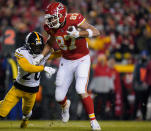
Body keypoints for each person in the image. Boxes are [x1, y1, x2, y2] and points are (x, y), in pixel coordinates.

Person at [33, 2, 101, 130]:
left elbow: (96, 32)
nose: (50, 21)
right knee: (59, 96)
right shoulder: (51, 27)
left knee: (81, 89)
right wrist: (41, 56)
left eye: (53, 17)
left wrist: (79, 34)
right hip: (66, 60)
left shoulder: (74, 19)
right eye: (49, 18)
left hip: (82, 59)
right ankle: (65, 106)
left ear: (61, 15)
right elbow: (51, 42)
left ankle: (93, 121)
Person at [0, 32, 56, 128]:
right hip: (18, 88)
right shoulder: (22, 52)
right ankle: (3, 103)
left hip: (32, 91)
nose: (38, 49)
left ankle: (25, 121)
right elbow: (27, 68)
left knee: (26, 113)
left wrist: (68, 47)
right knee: (1, 115)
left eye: (40, 47)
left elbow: (59, 54)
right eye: (35, 47)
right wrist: (43, 68)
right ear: (28, 46)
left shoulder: (44, 52)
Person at [132, 50, 148, 120]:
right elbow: (135, 75)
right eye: (143, 55)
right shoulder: (138, 64)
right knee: (137, 103)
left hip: (145, 86)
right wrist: (138, 83)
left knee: (144, 103)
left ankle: (144, 117)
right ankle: (134, 117)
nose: (143, 56)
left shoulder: (147, 64)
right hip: (139, 86)